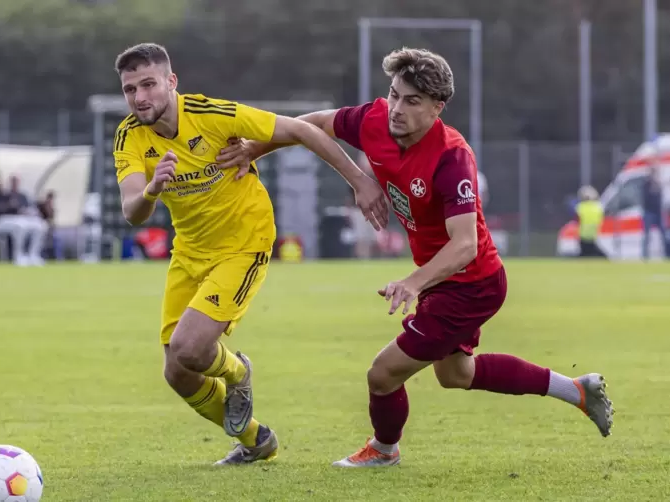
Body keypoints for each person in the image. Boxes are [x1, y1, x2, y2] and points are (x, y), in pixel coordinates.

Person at [217, 47, 614, 467]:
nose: (396, 109)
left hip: (470, 284)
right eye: (393, 94)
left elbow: (465, 246)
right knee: (457, 374)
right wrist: (252, 150)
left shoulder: (452, 158)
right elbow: (310, 124)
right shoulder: (374, 121)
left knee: (382, 374)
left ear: (437, 108)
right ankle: (578, 390)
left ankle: (384, 450)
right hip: (444, 281)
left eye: (411, 101)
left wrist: (413, 282)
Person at [110, 43, 387, 466]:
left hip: (245, 241)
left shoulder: (212, 114)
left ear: (171, 82)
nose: (140, 97)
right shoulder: (130, 135)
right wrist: (151, 190)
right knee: (177, 372)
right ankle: (257, 441)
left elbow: (301, 129)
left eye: (148, 84)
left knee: (189, 348)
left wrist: (359, 180)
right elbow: (133, 210)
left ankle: (238, 372)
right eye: (131, 89)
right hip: (190, 249)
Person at [641, 166, 668, 259]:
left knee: (664, 235)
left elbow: (661, 198)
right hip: (649, 212)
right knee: (647, 236)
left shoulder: (659, 184)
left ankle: (667, 255)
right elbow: (645, 198)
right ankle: (645, 256)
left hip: (658, 213)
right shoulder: (647, 183)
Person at [575, 185, 606, 258]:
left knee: (584, 254)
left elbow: (577, 221)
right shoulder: (598, 207)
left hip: (583, 236)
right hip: (593, 235)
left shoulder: (580, 207)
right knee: (596, 254)